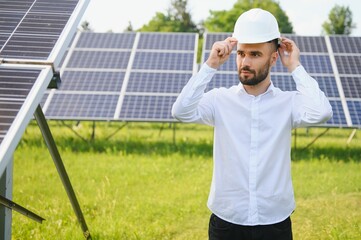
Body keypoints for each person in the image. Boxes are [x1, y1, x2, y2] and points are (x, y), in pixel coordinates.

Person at [172, 8, 333, 240]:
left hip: (274, 222)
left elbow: (322, 111)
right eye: (241, 53)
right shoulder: (219, 100)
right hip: (226, 221)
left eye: (255, 54)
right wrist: (210, 64)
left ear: (274, 58)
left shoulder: (288, 103)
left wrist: (294, 67)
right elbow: (181, 111)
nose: (245, 62)